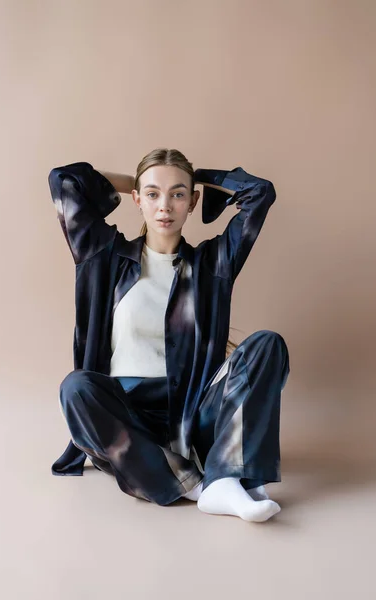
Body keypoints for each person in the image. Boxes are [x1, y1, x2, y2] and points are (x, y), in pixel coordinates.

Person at [48, 148, 290, 522]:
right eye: (153, 195)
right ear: (137, 200)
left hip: (192, 415)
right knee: (76, 387)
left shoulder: (213, 264)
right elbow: (65, 180)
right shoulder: (104, 256)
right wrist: (136, 180)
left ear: (193, 202)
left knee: (267, 344)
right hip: (125, 419)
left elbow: (260, 193)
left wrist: (198, 176)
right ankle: (202, 484)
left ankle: (227, 477)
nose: (165, 206)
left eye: (178, 194)